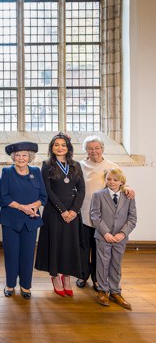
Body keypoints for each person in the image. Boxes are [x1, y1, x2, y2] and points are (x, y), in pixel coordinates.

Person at [77, 135, 135, 291]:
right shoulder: (79, 165)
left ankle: (97, 279)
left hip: (102, 218)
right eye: (90, 148)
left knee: (98, 250)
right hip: (83, 212)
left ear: (102, 149)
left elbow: (120, 182)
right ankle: (83, 275)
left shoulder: (111, 165)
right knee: (83, 248)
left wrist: (128, 187)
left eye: (97, 148)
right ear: (85, 150)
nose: (94, 151)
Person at [34, 133, 85, 297]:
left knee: (70, 246)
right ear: (52, 147)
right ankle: (55, 277)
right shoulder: (47, 165)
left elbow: (82, 190)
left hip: (72, 212)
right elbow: (48, 191)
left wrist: (74, 211)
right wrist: (62, 210)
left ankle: (67, 278)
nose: (60, 147)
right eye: (56, 144)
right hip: (54, 212)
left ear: (68, 148)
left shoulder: (76, 165)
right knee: (55, 244)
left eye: (63, 145)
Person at [0, 142, 47, 299]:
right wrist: (22, 207)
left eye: (24, 155)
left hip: (31, 220)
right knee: (11, 253)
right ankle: (10, 284)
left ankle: (26, 286)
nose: (21, 158)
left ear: (30, 157)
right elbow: (3, 197)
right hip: (11, 220)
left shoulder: (36, 171)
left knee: (27, 254)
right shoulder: (7, 172)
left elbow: (43, 196)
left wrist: (33, 206)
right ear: (13, 157)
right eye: (18, 155)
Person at [91, 168, 137, 310]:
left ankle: (115, 291)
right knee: (103, 263)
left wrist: (122, 234)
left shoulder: (128, 196)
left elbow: (132, 218)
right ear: (105, 180)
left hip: (120, 238)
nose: (112, 182)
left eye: (115, 180)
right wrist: (105, 233)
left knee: (116, 264)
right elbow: (95, 216)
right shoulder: (98, 195)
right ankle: (103, 291)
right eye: (109, 179)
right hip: (104, 236)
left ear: (122, 181)